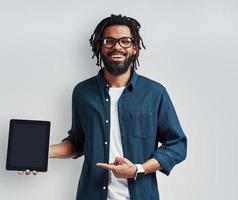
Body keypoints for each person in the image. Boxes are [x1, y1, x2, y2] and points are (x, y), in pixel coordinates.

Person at [19, 14, 187, 200]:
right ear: (99, 46)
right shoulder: (83, 92)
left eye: (125, 41)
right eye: (109, 41)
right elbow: (78, 142)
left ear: (135, 48)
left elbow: (177, 144)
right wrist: (38, 154)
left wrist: (138, 170)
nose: (117, 46)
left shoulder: (154, 93)